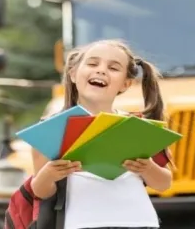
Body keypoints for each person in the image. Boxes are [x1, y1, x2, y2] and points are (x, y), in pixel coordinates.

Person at [30, 39, 173, 229]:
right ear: (72, 74)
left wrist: (148, 168)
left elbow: (164, 183)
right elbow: (40, 191)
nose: (101, 70)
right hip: (81, 224)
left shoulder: (136, 127)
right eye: (92, 63)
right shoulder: (51, 129)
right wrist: (50, 173)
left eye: (113, 68)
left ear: (125, 84)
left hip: (139, 223)